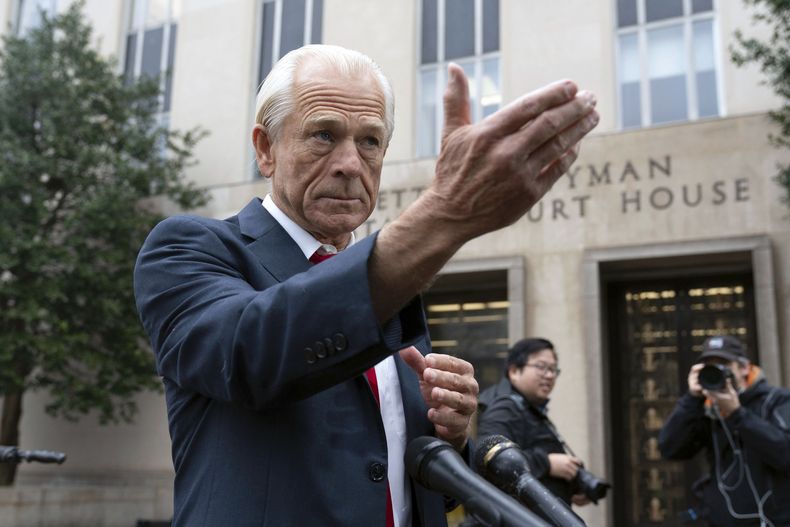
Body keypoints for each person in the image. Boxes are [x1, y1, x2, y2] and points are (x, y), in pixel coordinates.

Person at [134, 44, 599, 526]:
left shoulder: (389, 291)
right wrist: (446, 214)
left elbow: (399, 482)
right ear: (265, 148)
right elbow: (252, 352)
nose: (351, 164)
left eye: (370, 141)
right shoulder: (188, 249)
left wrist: (452, 436)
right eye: (323, 134)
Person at [658, 335, 790, 526]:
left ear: (744, 368)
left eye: (724, 364)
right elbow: (670, 448)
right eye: (709, 366)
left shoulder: (776, 401)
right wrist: (691, 399)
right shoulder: (707, 409)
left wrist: (737, 414)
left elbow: (785, 453)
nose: (718, 372)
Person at [477, 338, 594, 507]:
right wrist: (547, 463)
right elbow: (491, 462)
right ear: (515, 371)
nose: (549, 375)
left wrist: (574, 485)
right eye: (541, 367)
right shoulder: (503, 409)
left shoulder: (529, 408)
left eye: (553, 369)